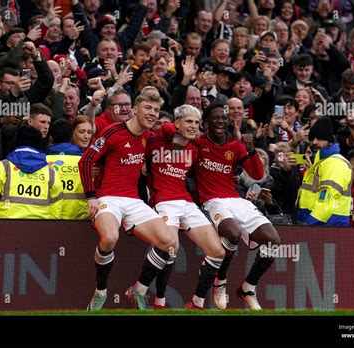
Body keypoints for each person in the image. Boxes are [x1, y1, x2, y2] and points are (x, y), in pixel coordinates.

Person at [164, 104, 281, 310]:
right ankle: (221, 281)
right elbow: (169, 131)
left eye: (223, 118)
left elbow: (257, 174)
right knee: (233, 233)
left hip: (235, 199)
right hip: (212, 201)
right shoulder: (198, 143)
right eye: (215, 118)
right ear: (206, 122)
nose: (220, 121)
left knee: (273, 241)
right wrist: (176, 137)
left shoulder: (235, 145)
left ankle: (248, 288)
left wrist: (251, 149)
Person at [78, 93, 175, 310]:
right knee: (110, 238)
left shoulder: (148, 136)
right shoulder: (113, 131)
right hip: (108, 198)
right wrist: (91, 197)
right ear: (135, 109)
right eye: (148, 108)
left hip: (133, 200)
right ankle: (100, 292)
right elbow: (86, 161)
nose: (152, 114)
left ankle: (138, 289)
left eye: (156, 110)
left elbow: (173, 139)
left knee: (169, 243)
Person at [146, 104, 225, 309]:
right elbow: (163, 128)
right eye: (189, 121)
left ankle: (197, 302)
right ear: (177, 122)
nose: (193, 126)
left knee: (217, 251)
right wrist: (172, 133)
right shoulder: (156, 140)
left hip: (186, 202)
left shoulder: (195, 148)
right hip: (163, 201)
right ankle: (159, 300)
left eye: (197, 123)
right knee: (171, 247)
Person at [0, 125, 63, 219]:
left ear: (15, 141)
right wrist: (50, 229)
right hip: (39, 230)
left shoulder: (3, 167)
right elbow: (56, 208)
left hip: (5, 229)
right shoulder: (50, 172)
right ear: (39, 143)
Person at [296, 116, 352, 226]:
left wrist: (309, 224)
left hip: (327, 228)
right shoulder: (319, 162)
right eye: (312, 138)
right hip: (318, 226)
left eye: (320, 138)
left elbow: (327, 201)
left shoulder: (335, 163)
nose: (314, 142)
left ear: (330, 140)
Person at [47, 119, 88, 220]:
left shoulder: (43, 161)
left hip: (51, 217)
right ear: (72, 137)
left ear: (51, 138)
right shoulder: (85, 161)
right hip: (80, 217)